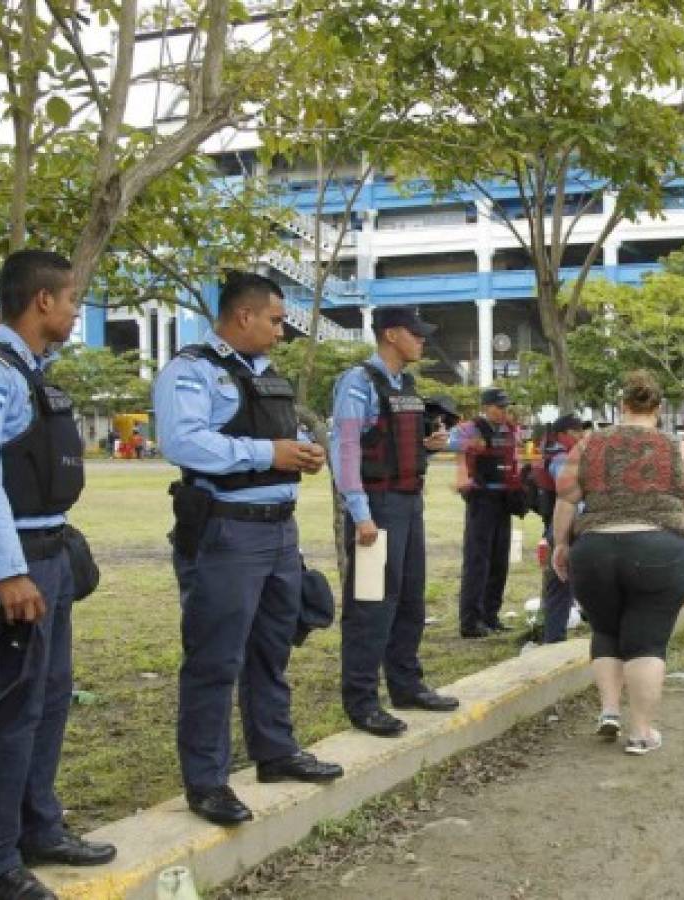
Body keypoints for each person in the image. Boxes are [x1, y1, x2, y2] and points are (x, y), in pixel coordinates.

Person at [153, 272, 342, 827]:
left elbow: (273, 443)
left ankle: (275, 752)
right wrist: (270, 453)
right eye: (277, 320)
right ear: (244, 317)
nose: (282, 333)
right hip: (227, 533)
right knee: (215, 659)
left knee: (272, 648)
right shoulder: (193, 371)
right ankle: (207, 782)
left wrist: (301, 453)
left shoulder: (267, 375)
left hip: (279, 532)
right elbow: (184, 442)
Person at [0, 250, 116, 900]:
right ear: (42, 302)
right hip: (17, 567)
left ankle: (40, 827)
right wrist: (8, 572)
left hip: (51, 555)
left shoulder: (34, 373)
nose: (73, 311)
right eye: (70, 301)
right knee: (10, 710)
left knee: (50, 698)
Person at [551, 371, 684, 755]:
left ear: (622, 406)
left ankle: (609, 710)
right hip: (658, 549)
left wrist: (562, 543)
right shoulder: (675, 448)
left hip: (594, 550)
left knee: (606, 629)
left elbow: (566, 498)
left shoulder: (590, 443)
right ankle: (641, 732)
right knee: (646, 641)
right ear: (658, 409)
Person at [330, 307, 459, 739]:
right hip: (377, 507)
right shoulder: (358, 382)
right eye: (416, 334)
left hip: (407, 503)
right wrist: (360, 514)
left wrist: (429, 446)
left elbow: (392, 444)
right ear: (390, 335)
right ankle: (362, 701)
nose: (423, 341)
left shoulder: (406, 384)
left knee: (409, 600)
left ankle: (405, 684)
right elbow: (346, 450)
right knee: (370, 604)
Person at [449, 388, 523, 638]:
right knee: (477, 560)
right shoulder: (470, 428)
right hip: (481, 499)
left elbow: (515, 456)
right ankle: (471, 621)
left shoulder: (508, 430)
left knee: (499, 560)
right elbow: (452, 445)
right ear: (486, 406)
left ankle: (491, 616)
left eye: (505, 407)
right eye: (499, 407)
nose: (503, 412)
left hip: (504, 499)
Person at [533, 413, 584, 643]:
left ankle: (553, 633)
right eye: (575, 432)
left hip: (558, 525)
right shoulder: (562, 459)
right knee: (561, 582)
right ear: (562, 434)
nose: (580, 436)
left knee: (565, 582)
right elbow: (571, 496)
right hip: (566, 525)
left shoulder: (557, 454)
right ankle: (553, 639)